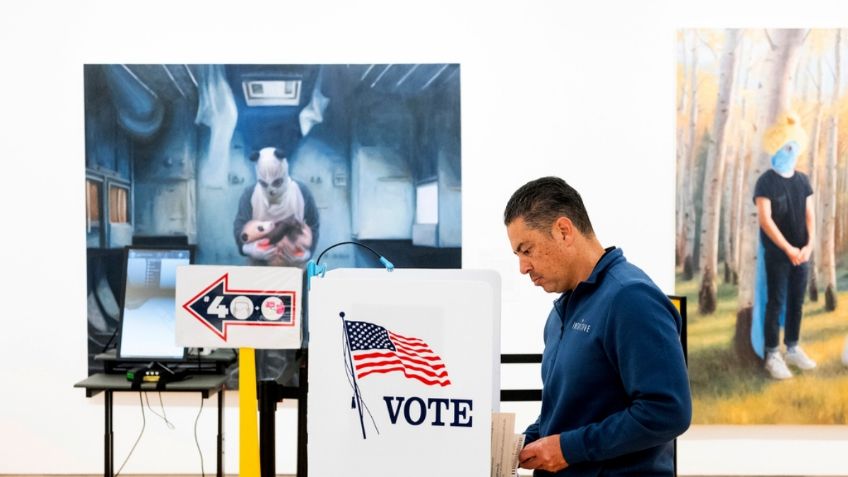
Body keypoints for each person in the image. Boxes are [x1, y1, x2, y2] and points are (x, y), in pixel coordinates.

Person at [504, 176, 691, 476]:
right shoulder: (560, 314)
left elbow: (668, 411)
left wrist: (569, 449)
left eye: (527, 250)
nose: (523, 267)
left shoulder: (630, 298)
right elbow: (568, 414)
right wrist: (521, 444)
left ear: (564, 231)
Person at [754, 112, 816, 380]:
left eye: (794, 146)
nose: (790, 151)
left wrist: (809, 246)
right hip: (779, 255)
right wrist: (788, 249)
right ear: (776, 147)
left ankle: (792, 348)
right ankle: (772, 354)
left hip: (803, 255)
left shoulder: (802, 180)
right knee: (776, 301)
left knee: (796, 302)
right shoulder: (765, 181)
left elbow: (809, 214)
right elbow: (766, 220)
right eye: (786, 146)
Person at [233, 146, 320, 267]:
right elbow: (240, 228)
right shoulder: (250, 195)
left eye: (277, 183)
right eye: (264, 184)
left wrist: (306, 254)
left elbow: (313, 225)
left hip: (293, 268)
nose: (271, 190)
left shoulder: (301, 192)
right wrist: (249, 249)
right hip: (258, 268)